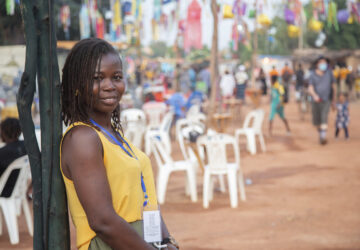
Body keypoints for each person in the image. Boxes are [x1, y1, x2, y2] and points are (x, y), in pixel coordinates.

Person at [60, 38, 178, 250]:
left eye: (116, 77)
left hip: (141, 242)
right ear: (77, 84)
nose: (109, 86)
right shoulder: (82, 138)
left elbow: (146, 201)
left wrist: (168, 242)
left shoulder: (111, 134)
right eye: (97, 78)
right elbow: (103, 221)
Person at [308, 56, 336, 145]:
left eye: (325, 62)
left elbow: (333, 86)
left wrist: (334, 99)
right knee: (317, 122)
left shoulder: (329, 73)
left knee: (324, 117)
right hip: (315, 101)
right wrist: (314, 95)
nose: (323, 64)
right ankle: (321, 133)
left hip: (326, 100)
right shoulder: (312, 74)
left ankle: (323, 137)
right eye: (321, 62)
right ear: (317, 64)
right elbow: (310, 88)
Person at [0, 118, 27, 197]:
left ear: (3, 132)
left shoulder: (3, 152)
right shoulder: (26, 147)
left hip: (5, 191)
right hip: (20, 190)